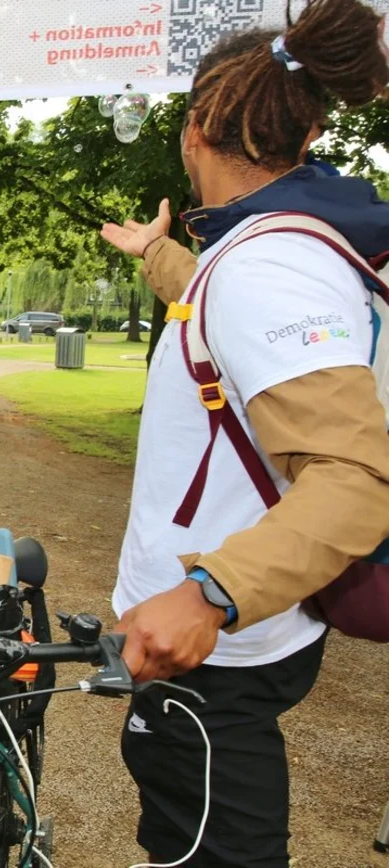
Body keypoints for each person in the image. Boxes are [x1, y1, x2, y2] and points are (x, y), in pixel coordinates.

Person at [98, 3, 389, 864]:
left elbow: (354, 474)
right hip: (250, 623)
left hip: (217, 638)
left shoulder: (265, 266)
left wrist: (210, 594)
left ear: (197, 129)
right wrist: (155, 255)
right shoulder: (275, 248)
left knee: (223, 846)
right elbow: (221, 318)